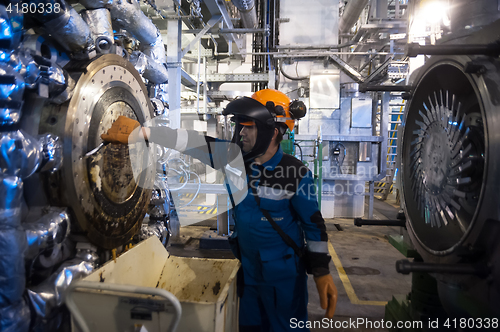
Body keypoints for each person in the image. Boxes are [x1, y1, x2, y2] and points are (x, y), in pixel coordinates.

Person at [101, 89, 338, 331]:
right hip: (247, 274)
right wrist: (143, 132)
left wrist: (321, 272)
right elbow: (191, 142)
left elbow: (313, 225)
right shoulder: (234, 159)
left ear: (273, 131)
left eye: (249, 127)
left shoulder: (295, 173)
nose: (241, 133)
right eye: (241, 126)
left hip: (284, 282)